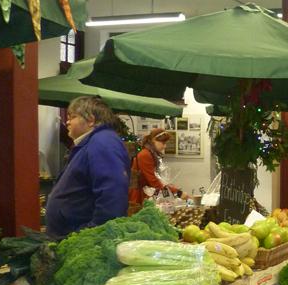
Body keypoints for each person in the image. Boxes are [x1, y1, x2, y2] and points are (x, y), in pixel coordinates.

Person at [45, 96, 130, 238]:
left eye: (72, 117)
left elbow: (113, 194)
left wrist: (90, 234)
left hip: (82, 241)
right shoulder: (94, 142)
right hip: (72, 237)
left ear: (90, 120)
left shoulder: (103, 143)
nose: (67, 122)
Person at [129, 128, 189, 208]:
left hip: (143, 193)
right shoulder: (145, 155)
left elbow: (155, 179)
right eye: (163, 143)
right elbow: (153, 181)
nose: (165, 146)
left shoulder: (151, 153)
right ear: (153, 140)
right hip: (137, 195)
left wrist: (170, 187)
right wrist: (177, 193)